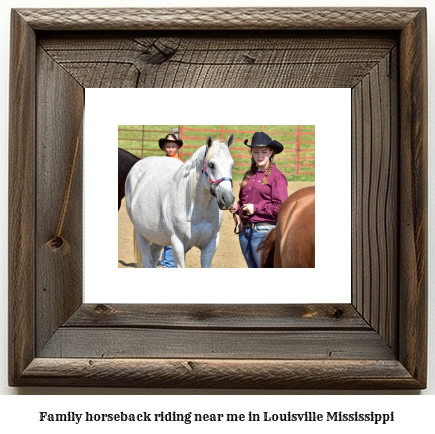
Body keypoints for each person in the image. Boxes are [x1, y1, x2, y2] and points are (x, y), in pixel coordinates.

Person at [229, 132, 288, 268]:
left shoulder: (277, 178)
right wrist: (237, 206)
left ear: (271, 153)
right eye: (256, 152)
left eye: (263, 152)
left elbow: (280, 207)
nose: (260, 155)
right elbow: (244, 202)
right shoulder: (249, 175)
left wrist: (255, 208)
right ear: (252, 153)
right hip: (245, 231)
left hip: (264, 232)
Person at [157, 133, 184, 268]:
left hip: (174, 203)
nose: (170, 149)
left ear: (177, 148)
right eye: (168, 147)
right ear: (164, 148)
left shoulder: (180, 164)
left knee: (171, 232)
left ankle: (168, 262)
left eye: (173, 146)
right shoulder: (161, 163)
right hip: (161, 201)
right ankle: (163, 260)